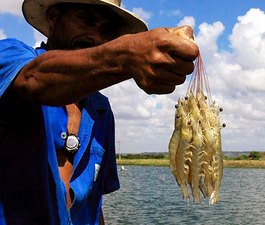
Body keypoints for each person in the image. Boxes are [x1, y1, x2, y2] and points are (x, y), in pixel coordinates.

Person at [0, 0, 198, 224]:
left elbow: (94, 204)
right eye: (86, 20)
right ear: (53, 16)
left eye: (107, 30)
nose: (95, 36)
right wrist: (126, 55)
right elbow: (33, 80)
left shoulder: (101, 110)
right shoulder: (10, 56)